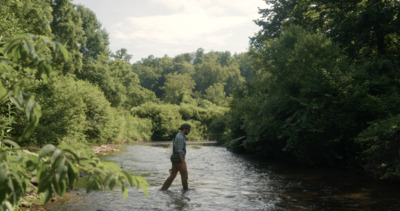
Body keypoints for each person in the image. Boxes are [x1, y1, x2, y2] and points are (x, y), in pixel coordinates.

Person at [161, 123, 191, 191]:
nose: (189, 131)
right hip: (179, 160)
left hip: (175, 159)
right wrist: (183, 163)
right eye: (188, 130)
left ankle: (163, 189)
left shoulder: (178, 135)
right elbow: (180, 151)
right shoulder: (180, 137)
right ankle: (185, 191)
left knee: (172, 176)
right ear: (184, 129)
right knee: (184, 175)